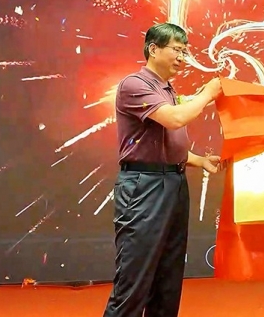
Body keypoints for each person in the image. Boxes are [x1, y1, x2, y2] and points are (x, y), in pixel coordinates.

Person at [103, 23, 223, 317]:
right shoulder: (135, 84)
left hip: (173, 184)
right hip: (145, 187)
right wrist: (207, 93)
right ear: (153, 49)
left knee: (168, 280)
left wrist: (199, 160)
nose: (182, 57)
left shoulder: (167, 89)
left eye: (185, 51)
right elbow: (175, 119)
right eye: (177, 50)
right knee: (135, 280)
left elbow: (161, 144)